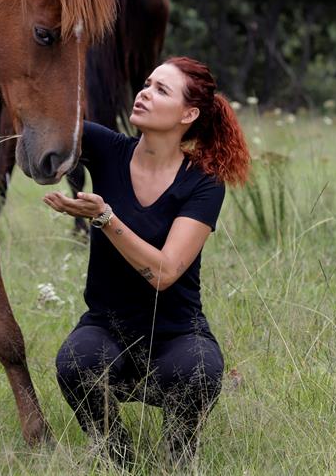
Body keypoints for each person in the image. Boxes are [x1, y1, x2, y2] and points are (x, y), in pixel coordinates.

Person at [43, 56, 250, 467]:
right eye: (146, 83)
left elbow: (164, 272)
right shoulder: (105, 148)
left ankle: (179, 455)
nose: (144, 93)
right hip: (108, 328)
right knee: (75, 363)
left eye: (161, 90)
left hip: (177, 333)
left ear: (188, 114)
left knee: (198, 372)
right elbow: (47, 124)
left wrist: (105, 218)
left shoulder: (203, 182)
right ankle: (117, 456)